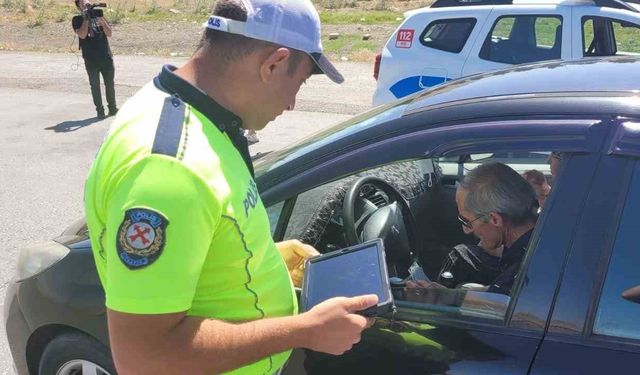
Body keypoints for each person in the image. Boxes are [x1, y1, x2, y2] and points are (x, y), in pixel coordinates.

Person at [83, 1, 377, 374]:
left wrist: (261, 257)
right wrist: (304, 331)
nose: (292, 103)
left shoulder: (187, 107)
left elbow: (205, 231)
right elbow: (144, 360)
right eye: (299, 82)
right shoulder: (170, 169)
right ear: (273, 63)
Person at [409, 163, 538, 295]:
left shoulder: (526, 272)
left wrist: (439, 298)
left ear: (495, 219)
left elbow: (497, 308)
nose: (466, 230)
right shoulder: (539, 238)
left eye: (466, 221)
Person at [72, 0, 117, 119]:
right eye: (83, 4)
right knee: (95, 85)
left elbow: (109, 33)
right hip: (90, 59)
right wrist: (86, 19)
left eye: (87, 3)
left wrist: (101, 18)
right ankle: (100, 110)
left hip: (106, 56)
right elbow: (82, 35)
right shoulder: (77, 19)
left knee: (110, 84)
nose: (86, 5)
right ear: (78, 7)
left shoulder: (99, 16)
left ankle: (112, 108)